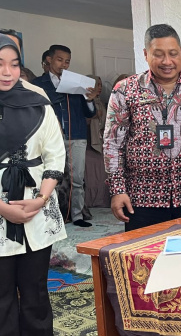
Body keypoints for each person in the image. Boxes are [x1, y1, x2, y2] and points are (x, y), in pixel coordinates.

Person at [104, 24, 181, 231]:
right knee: (143, 250)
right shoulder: (125, 90)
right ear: (146, 54)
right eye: (158, 54)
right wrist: (117, 190)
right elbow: (113, 144)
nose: (167, 61)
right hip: (143, 198)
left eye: (173, 54)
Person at [0, 34, 67, 336]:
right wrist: (3, 208)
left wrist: (41, 198)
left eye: (14, 64)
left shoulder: (38, 99)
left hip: (37, 207)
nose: (7, 72)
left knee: (35, 290)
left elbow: (55, 153)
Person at [32, 44, 96, 227]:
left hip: (76, 135)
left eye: (67, 61)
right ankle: (52, 216)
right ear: (49, 59)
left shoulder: (76, 83)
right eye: (60, 60)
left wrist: (89, 100)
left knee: (78, 179)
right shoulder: (37, 84)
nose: (64, 65)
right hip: (50, 137)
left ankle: (77, 215)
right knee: (50, 178)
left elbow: (89, 113)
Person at [83, 75, 109, 208]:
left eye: (100, 85)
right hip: (88, 143)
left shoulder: (101, 102)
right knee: (91, 175)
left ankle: (102, 201)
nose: (99, 87)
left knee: (102, 174)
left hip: (101, 142)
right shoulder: (82, 100)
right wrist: (92, 116)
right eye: (96, 84)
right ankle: (91, 202)